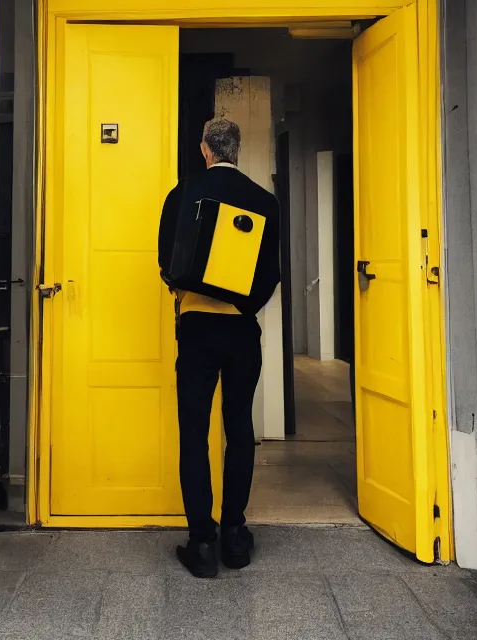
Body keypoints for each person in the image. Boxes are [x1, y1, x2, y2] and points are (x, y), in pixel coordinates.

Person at [158, 118, 280, 578]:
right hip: (240, 332)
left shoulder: (182, 193)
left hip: (196, 329)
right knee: (239, 430)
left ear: (205, 148)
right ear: (237, 150)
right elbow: (269, 275)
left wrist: (186, 292)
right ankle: (234, 536)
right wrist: (241, 301)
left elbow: (166, 262)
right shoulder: (263, 201)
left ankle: (202, 544)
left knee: (194, 433)